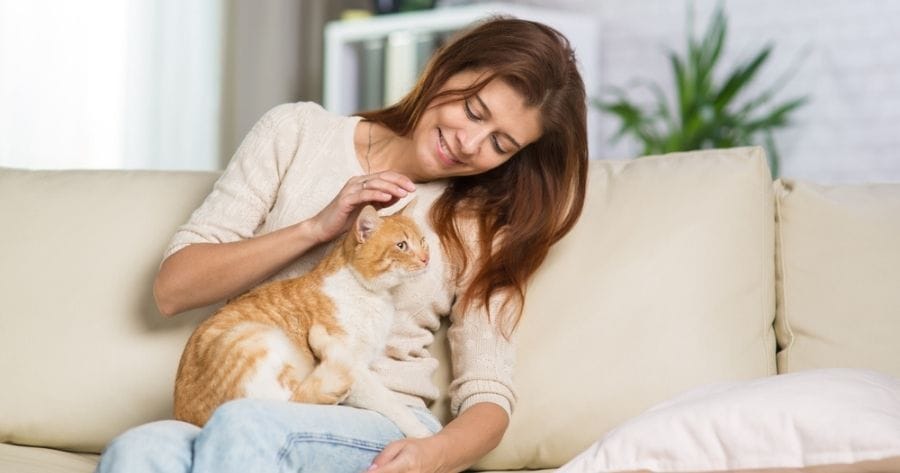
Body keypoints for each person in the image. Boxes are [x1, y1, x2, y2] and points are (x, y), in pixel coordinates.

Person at [96, 16, 587, 473]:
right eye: (473, 111)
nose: (470, 143)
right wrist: (315, 228)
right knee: (140, 448)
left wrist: (431, 453)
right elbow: (173, 289)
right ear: (444, 70)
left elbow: (489, 393)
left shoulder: (480, 223)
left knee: (245, 426)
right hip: (247, 398)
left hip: (372, 420)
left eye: (500, 144)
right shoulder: (296, 133)